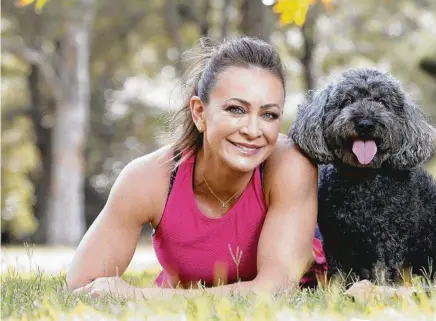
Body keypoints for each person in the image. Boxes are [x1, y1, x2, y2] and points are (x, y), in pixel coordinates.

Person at [66, 36, 327, 300]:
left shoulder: (290, 164)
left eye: (268, 114)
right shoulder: (148, 179)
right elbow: (83, 282)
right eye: (236, 109)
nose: (252, 130)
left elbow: (276, 288)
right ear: (199, 113)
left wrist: (139, 296)